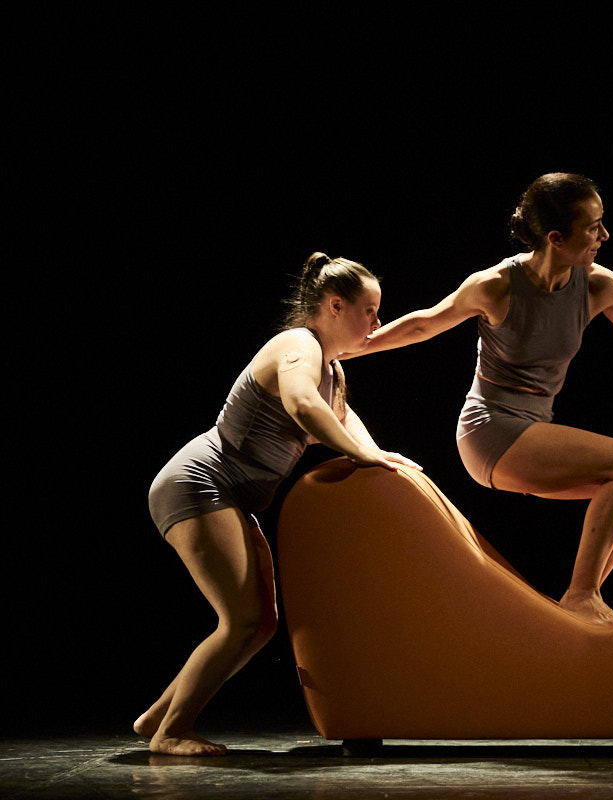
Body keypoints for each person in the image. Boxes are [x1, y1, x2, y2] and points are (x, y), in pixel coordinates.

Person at [350, 173, 613, 625]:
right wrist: (353, 346)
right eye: (592, 228)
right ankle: (582, 596)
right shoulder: (496, 285)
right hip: (489, 430)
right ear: (555, 238)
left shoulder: (597, 285)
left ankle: (578, 603)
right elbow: (423, 324)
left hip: (534, 430)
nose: (604, 236)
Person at [137, 253, 418, 757]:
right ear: (335, 305)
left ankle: (158, 716)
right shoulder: (298, 345)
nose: (377, 323)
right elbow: (302, 405)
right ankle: (171, 733)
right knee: (241, 619)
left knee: (261, 622)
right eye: (370, 311)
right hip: (200, 482)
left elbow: (341, 416)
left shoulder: (330, 368)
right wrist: (363, 455)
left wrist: (379, 458)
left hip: (226, 494)